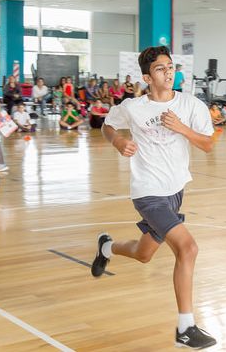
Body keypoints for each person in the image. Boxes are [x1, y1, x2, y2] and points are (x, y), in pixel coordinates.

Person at [91, 45, 216, 349]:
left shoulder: (190, 105)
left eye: (171, 67)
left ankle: (107, 247)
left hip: (175, 193)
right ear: (147, 76)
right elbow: (108, 125)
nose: (168, 72)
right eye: (161, 69)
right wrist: (118, 139)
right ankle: (185, 328)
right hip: (147, 193)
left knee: (143, 254)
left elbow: (208, 145)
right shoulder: (134, 107)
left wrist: (182, 128)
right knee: (188, 249)